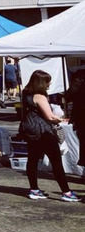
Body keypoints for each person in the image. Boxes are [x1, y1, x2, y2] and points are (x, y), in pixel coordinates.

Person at [22, 70, 80, 202]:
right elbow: (49, 116)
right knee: (56, 162)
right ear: (41, 83)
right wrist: (61, 119)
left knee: (32, 160)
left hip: (31, 130)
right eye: (48, 82)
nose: (49, 84)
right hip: (43, 132)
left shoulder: (26, 94)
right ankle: (66, 192)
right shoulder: (40, 96)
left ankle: (34, 189)